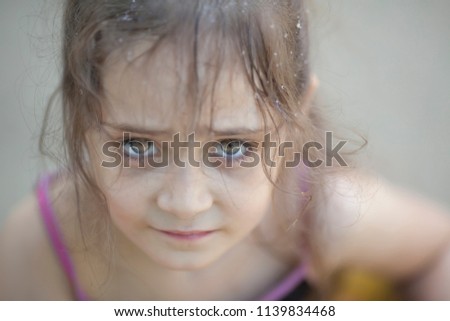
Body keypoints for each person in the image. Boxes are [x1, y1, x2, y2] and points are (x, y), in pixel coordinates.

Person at [1, 0, 449, 300]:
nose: (185, 203)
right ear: (82, 116)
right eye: (137, 146)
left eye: (233, 147)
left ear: (294, 121)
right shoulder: (40, 248)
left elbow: (438, 248)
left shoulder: (322, 217)